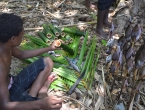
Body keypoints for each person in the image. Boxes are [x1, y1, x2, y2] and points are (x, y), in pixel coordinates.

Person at [0, 13, 63, 110]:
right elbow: (4, 105)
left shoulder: (6, 46)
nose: (23, 35)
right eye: (22, 33)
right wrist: (40, 104)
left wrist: (49, 48)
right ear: (13, 39)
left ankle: (32, 94)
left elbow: (22, 54)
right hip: (9, 98)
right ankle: (41, 93)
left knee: (47, 62)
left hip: (12, 82)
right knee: (50, 107)